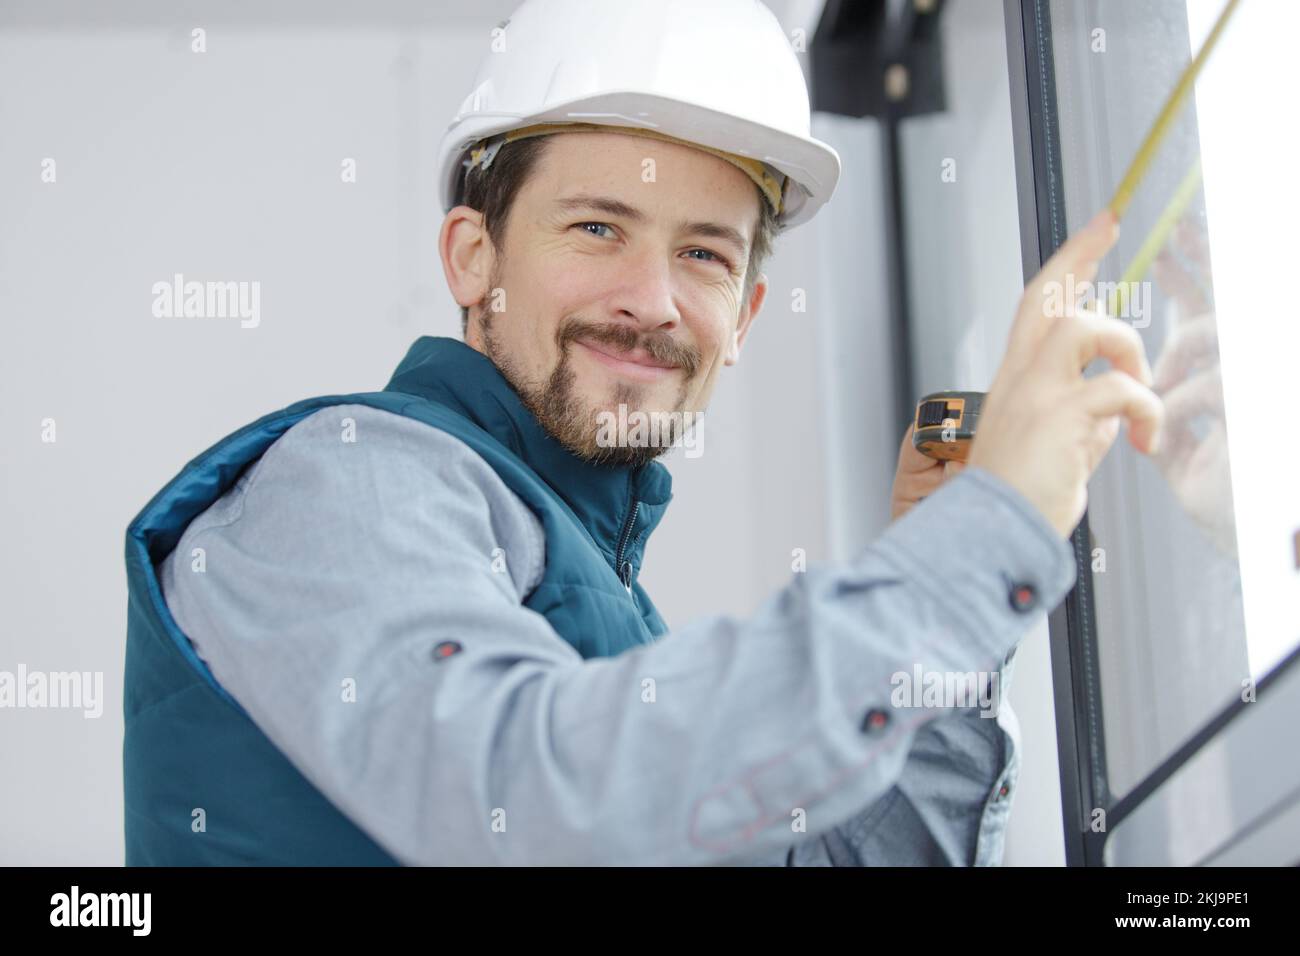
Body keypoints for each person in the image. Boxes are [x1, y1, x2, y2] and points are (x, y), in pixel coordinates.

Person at [122, 0, 1164, 865]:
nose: (652, 301)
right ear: (473, 257)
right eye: (597, 227)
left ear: (744, 318)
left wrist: (951, 623)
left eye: (705, 255)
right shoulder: (349, 483)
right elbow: (527, 798)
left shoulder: (618, 637)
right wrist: (967, 556)